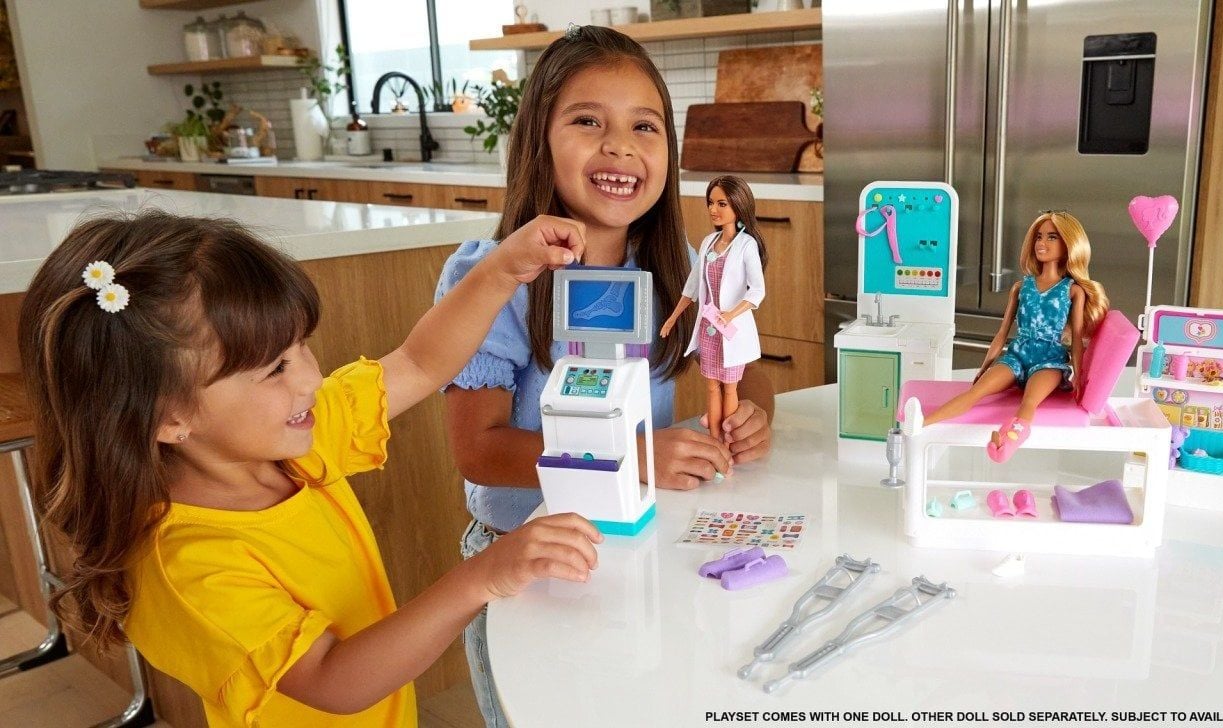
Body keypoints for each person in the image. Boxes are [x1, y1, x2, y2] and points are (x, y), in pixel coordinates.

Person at [18, 209, 603, 726]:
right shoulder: (187, 565)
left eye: (301, 346)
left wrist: (502, 270)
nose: (309, 378)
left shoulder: (292, 444)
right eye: (275, 368)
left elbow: (419, 363)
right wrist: (482, 577)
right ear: (169, 417)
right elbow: (333, 680)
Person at [435, 25, 776, 728]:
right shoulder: (492, 278)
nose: (620, 146)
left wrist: (746, 415)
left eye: (644, 126)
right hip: (523, 559)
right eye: (589, 121)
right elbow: (477, 450)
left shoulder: (680, 266)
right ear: (538, 141)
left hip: (639, 546)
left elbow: (741, 369)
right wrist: (635, 458)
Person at [903, 210, 1109, 461]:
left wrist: (1079, 377)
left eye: (1052, 237)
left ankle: (1006, 445)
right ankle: (919, 423)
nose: (1042, 243)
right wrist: (985, 366)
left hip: (1049, 361)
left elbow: (1076, 339)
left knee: (1029, 402)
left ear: (1068, 246)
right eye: (1039, 237)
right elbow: (1002, 333)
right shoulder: (1022, 287)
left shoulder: (1072, 291)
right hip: (1016, 356)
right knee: (976, 392)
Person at [660, 175, 767, 446]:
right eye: (710, 202)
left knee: (730, 387)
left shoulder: (746, 245)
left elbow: (757, 291)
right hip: (708, 327)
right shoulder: (709, 242)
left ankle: (728, 442)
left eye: (721, 203)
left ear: (738, 206)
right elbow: (692, 286)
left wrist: (731, 314)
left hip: (730, 330)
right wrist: (672, 318)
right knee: (711, 386)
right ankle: (715, 439)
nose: (713, 209)